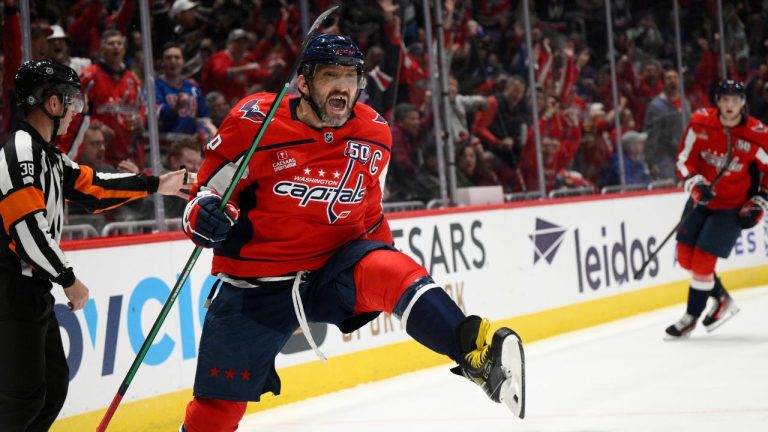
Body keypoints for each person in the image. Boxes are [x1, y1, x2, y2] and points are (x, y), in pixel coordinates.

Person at [180, 33, 526, 431]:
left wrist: (386, 265)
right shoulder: (254, 122)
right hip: (255, 284)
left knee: (393, 270)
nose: (343, 86)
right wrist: (204, 215)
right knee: (215, 413)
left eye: (351, 76)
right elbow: (206, 193)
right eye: (330, 75)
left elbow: (370, 208)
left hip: (330, 268)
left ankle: (475, 357)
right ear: (304, 82)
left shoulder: (374, 132)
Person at [0, 61, 192, 431]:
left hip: (30, 291)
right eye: (70, 101)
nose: (75, 111)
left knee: (50, 392)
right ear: (51, 103)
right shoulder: (20, 151)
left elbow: (96, 187)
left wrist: (156, 184)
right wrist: (67, 277)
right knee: (20, 401)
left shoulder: (49, 157)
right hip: (10, 290)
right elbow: (27, 228)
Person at [666, 79, 768, 338]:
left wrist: (760, 200)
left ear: (743, 103)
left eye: (735, 100)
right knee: (685, 257)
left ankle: (690, 317)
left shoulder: (757, 134)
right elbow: (683, 159)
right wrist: (694, 182)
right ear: (718, 102)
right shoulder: (701, 122)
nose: (730, 105)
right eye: (725, 100)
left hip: (731, 207)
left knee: (702, 263)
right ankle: (721, 298)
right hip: (702, 198)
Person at [80, 29, 146, 167]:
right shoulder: (89, 76)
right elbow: (76, 110)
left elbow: (141, 109)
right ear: (102, 48)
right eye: (111, 43)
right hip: (98, 154)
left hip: (127, 154)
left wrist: (140, 120)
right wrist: (95, 126)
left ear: (124, 49)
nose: (116, 46)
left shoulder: (133, 79)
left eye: (119, 43)